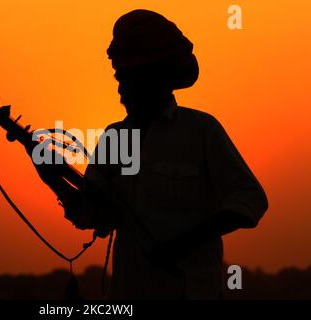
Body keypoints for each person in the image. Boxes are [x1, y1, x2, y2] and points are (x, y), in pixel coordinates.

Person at [35, 9, 268, 299]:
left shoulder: (201, 131)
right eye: (120, 77)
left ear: (158, 78)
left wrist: (183, 243)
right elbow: (97, 218)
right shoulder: (115, 137)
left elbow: (251, 199)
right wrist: (53, 179)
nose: (121, 89)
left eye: (131, 78)